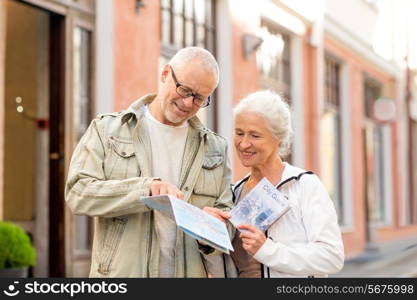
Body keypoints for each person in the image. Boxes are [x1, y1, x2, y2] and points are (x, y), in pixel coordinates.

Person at [65, 47, 234, 278]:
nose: (187, 103)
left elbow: (227, 222)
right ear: (165, 74)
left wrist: (213, 231)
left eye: (199, 98)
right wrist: (144, 190)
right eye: (184, 89)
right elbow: (77, 193)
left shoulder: (215, 148)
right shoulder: (107, 129)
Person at [228, 90, 344, 277]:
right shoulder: (234, 192)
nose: (243, 144)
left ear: (278, 137)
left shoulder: (304, 186)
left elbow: (332, 256)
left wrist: (267, 250)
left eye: (255, 136)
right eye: (239, 133)